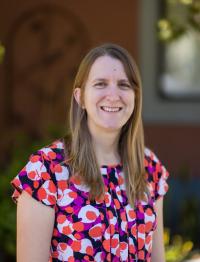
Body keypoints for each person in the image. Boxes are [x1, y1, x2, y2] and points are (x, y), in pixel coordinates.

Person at [11, 43, 169, 262]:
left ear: (135, 97)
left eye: (124, 85)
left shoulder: (149, 166)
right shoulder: (46, 170)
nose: (113, 95)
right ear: (80, 97)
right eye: (100, 84)